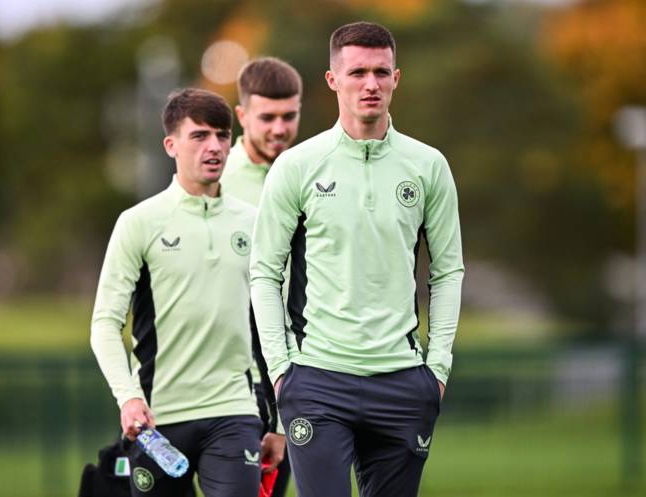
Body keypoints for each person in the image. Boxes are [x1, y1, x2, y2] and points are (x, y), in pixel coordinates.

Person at [250, 21, 464, 497]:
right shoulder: (297, 166)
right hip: (317, 380)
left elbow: (448, 270)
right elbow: (264, 272)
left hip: (403, 382)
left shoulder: (428, 166)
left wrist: (438, 369)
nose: (371, 84)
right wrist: (281, 369)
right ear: (333, 80)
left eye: (381, 72)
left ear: (396, 79)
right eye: (358, 73)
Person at [91, 88, 279, 497]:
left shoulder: (257, 223)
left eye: (222, 135)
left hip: (234, 411)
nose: (214, 146)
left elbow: (276, 325)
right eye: (200, 136)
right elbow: (104, 323)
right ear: (171, 145)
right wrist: (128, 398)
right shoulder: (138, 223)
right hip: (157, 418)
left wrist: (279, 421)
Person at [221, 56, 303, 497]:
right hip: (231, 380)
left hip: (294, 374)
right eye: (267, 117)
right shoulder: (218, 183)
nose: (279, 129)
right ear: (242, 115)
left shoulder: (310, 176)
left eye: (289, 116)